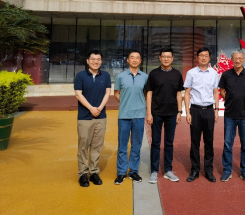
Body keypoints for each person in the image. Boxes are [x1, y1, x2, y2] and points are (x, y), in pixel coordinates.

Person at [145, 47, 184, 184]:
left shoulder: (177, 74)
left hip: (172, 113)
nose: (166, 59)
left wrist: (179, 111)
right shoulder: (154, 74)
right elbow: (149, 93)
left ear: (172, 58)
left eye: (169, 57)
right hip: (156, 113)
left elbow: (179, 94)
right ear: (160, 58)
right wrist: (149, 113)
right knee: (156, 142)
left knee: (169, 142)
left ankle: (168, 170)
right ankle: (154, 171)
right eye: (164, 56)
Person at [218, 50, 245, 183]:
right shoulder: (226, 75)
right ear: (232, 60)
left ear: (244, 59)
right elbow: (222, 91)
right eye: (235, 58)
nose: (238, 61)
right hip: (230, 114)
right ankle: (227, 170)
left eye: (240, 58)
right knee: (227, 144)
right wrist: (230, 100)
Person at [74, 50, 111, 188]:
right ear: (87, 61)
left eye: (98, 59)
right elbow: (78, 94)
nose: (96, 61)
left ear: (101, 61)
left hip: (101, 117)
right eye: (93, 59)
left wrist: (99, 108)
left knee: (97, 145)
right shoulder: (81, 76)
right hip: (85, 117)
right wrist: (91, 108)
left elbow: (107, 93)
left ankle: (94, 172)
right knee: (83, 146)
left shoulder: (106, 75)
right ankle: (83, 174)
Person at [184, 47, 220, 183]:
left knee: (209, 141)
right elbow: (187, 93)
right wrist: (187, 112)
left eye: (206, 55)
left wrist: (216, 110)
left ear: (209, 58)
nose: (203, 58)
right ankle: (195, 170)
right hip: (195, 110)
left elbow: (215, 92)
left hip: (209, 110)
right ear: (197, 58)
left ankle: (208, 170)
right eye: (201, 55)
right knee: (195, 141)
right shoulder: (191, 73)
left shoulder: (214, 73)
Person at [114, 51, 148, 185]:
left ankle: (133, 170)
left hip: (139, 115)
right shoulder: (120, 76)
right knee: (122, 145)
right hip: (124, 115)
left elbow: (147, 94)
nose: (134, 60)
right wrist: (125, 103)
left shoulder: (145, 77)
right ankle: (121, 172)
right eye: (132, 58)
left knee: (136, 145)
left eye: (137, 58)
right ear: (127, 60)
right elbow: (116, 93)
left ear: (140, 61)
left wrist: (140, 104)